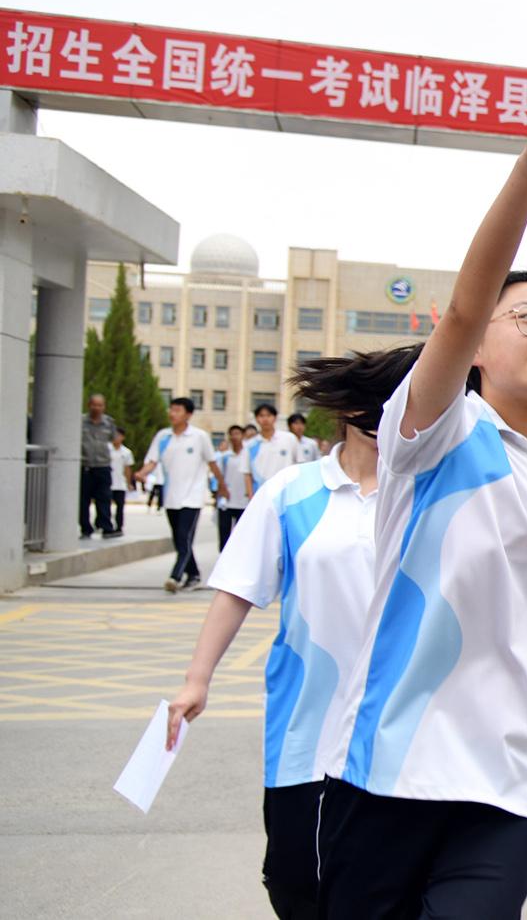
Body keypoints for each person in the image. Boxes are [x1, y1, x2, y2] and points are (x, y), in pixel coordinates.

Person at [312, 41, 527, 918]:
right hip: (395, 764)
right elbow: (467, 305)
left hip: (517, 777)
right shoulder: (437, 430)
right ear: (477, 345)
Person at [164, 345, 419, 919]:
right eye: (381, 404)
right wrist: (197, 679)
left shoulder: (427, 493)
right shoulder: (291, 491)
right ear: (350, 410)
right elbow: (237, 588)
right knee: (294, 881)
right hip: (308, 726)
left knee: (386, 890)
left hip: (403, 730)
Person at [137, 398, 228, 593]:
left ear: (188, 414)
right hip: (171, 497)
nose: (172, 413)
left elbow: (212, 463)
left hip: (192, 497)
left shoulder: (199, 436)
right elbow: (152, 461)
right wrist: (142, 473)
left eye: (177, 410)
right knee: (179, 540)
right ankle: (193, 574)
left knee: (183, 537)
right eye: (171, 409)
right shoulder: (163, 436)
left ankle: (175, 576)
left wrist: (221, 485)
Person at [79, 393, 119, 539]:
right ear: (89, 405)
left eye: (100, 405)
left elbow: (114, 440)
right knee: (83, 500)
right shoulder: (80, 421)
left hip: (103, 466)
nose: (97, 408)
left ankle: (106, 527)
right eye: (94, 405)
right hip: (85, 466)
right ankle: (85, 528)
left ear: (104, 407)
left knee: (104, 498)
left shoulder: (109, 423)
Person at [246, 403, 300, 497]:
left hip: (286, 491)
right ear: (256, 419)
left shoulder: (289, 438)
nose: (265, 419)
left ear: (275, 418)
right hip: (261, 493)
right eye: (261, 416)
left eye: (269, 415)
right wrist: (251, 497)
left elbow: (299, 465)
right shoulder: (250, 445)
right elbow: (247, 474)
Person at [215, 425, 252, 550]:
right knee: (224, 532)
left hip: (244, 501)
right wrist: (221, 491)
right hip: (227, 501)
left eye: (237, 433)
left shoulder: (248, 454)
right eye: (232, 434)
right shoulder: (225, 456)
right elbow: (219, 476)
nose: (234, 436)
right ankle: (223, 555)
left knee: (241, 534)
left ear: (243, 436)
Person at [107, 427, 133, 538]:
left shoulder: (126, 452)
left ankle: (119, 526)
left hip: (120, 483)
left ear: (123, 437)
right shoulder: (107, 449)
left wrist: (128, 483)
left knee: (120, 507)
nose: (116, 437)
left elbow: (127, 469)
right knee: (105, 506)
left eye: (118, 435)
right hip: (107, 482)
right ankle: (105, 525)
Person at [144, 426, 171, 510]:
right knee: (153, 492)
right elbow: (149, 461)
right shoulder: (155, 449)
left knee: (161, 493)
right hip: (154, 476)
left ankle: (160, 506)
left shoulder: (167, 447)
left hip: (163, 477)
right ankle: (149, 504)